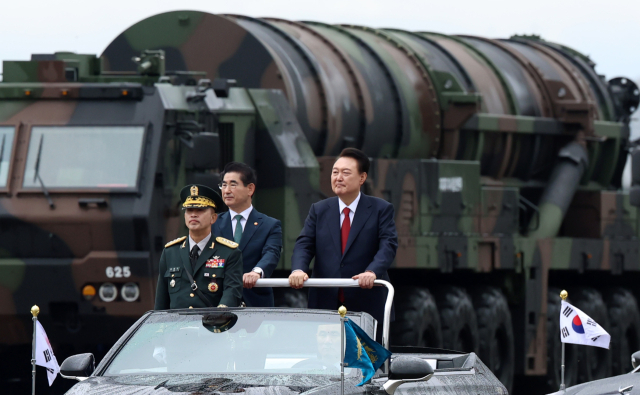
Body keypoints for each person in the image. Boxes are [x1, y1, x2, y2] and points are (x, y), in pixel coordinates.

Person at [289, 148, 398, 339]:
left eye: (345, 173)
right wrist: (298, 269)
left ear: (362, 178)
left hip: (367, 303)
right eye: (334, 172)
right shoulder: (319, 209)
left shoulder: (380, 209)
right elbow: (305, 244)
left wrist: (372, 272)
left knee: (366, 365)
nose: (338, 177)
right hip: (325, 305)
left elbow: (388, 245)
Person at [155, 184, 243, 310]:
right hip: (177, 326)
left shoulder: (229, 252)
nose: (193, 215)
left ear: (213, 218)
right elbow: (161, 300)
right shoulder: (170, 252)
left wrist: (219, 315)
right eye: (189, 210)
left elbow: (232, 292)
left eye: (200, 210)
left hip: (211, 324)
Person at [212, 162, 282, 307]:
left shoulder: (269, 225)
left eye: (233, 184)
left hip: (254, 302)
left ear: (250, 189)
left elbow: (271, 253)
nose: (227, 190)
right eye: (224, 185)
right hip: (218, 302)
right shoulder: (212, 223)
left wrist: (256, 272)